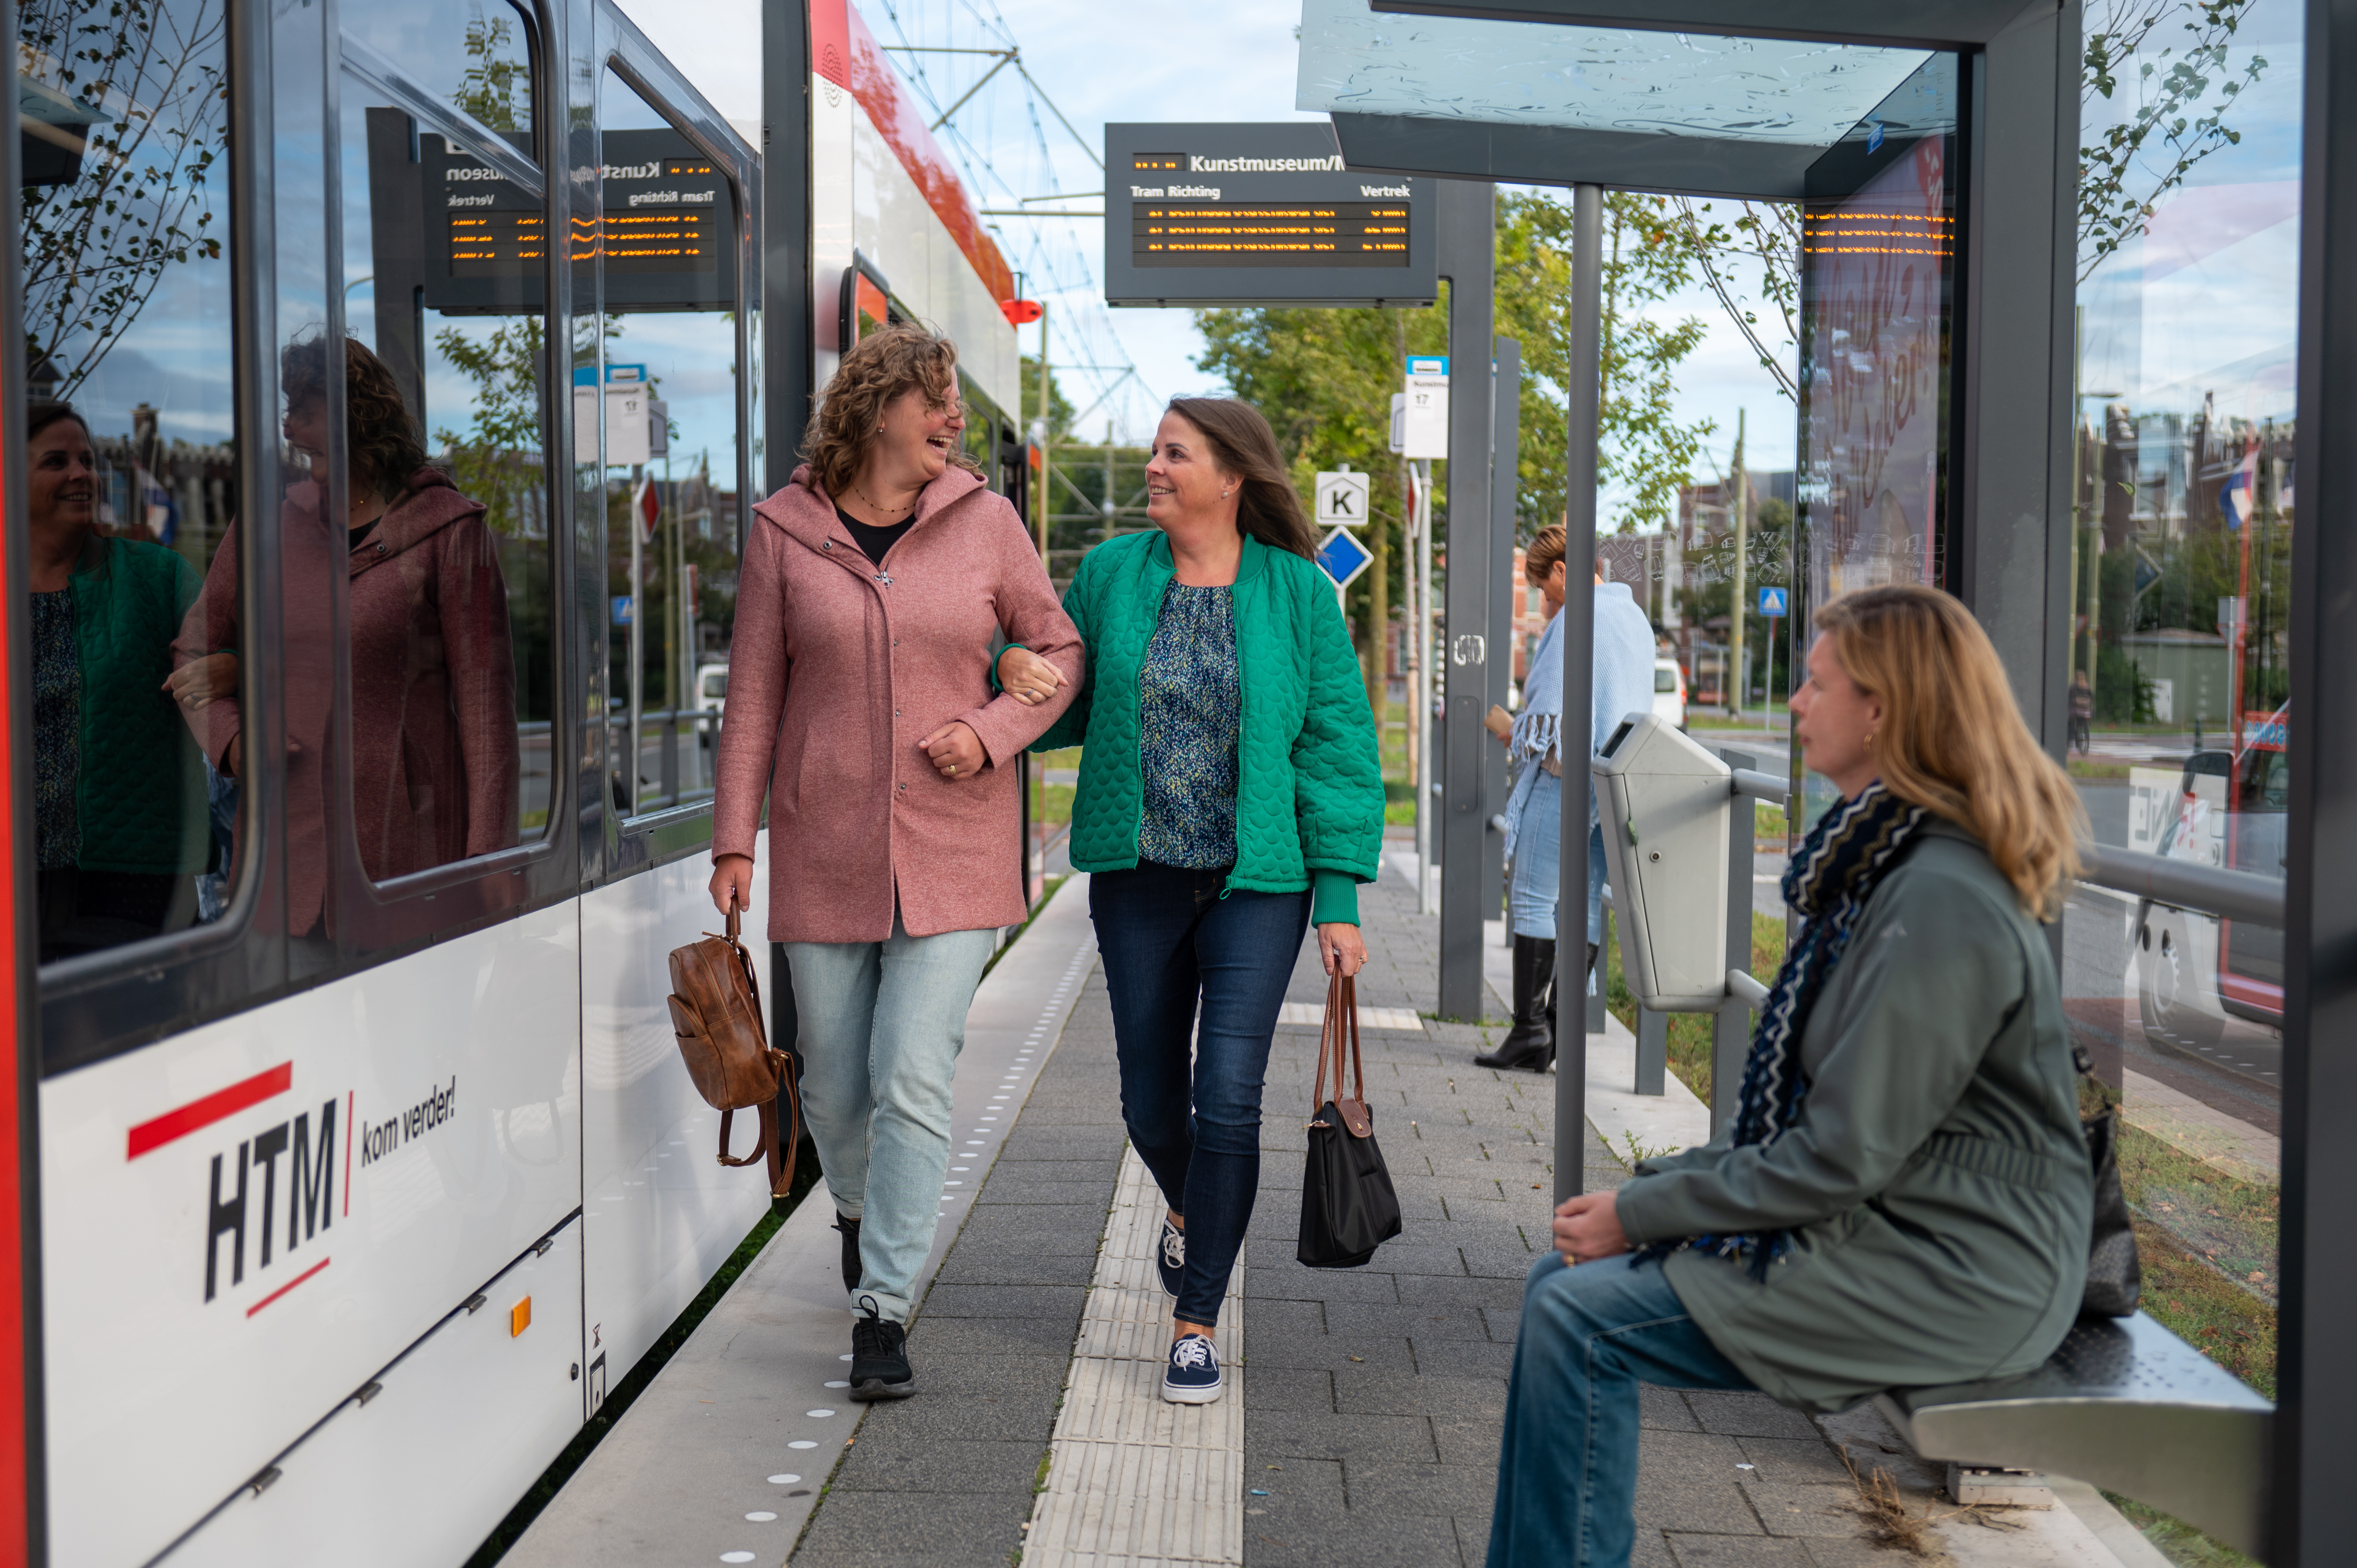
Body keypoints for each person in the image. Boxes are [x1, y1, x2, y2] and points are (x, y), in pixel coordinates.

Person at [1485, 584, 2093, 1568]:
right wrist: (1652, 1194)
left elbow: (1841, 1149)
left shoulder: (1935, 897)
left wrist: (1645, 1211)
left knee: (1575, 1315)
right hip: (1909, 1230)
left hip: (1961, 1270)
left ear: (1882, 709)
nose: (1798, 703)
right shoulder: (1887, 865)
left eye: (1815, 684)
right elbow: (1823, 1134)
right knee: (1561, 1279)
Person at [709, 324, 1082, 1403]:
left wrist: (992, 732)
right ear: (877, 406)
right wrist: (735, 841)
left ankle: (882, 1309)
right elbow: (753, 702)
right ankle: (862, 1209)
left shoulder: (986, 522)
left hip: (956, 846)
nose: (955, 421)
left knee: (912, 1073)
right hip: (823, 844)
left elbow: (1057, 654)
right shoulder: (783, 532)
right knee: (834, 1081)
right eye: (938, 401)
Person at [996, 398, 1384, 1406]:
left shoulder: (1299, 594)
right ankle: (1191, 1211)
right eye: (1157, 449)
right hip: (1139, 879)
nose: (1153, 463)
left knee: (1230, 1097)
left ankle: (1197, 1318)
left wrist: (1337, 896)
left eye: (1176, 451)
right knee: (1148, 1100)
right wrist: (1009, 669)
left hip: (1260, 882)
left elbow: (1335, 745)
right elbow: (1060, 706)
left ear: (1231, 476)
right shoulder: (1112, 575)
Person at [177, 335, 519, 933]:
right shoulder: (266, 527)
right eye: (286, 412)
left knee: (423, 1029)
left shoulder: (451, 530)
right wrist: (232, 744)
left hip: (414, 861)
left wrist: (489, 857)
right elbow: (194, 649)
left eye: (304, 413)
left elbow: (487, 708)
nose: (288, 430)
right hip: (287, 868)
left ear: (355, 418)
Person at [23, 401, 216, 961]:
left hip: (131, 881)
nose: (82, 474)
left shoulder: (156, 578)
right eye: (56, 462)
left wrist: (230, 662)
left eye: (88, 460)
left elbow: (247, 648)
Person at [1474, 539, 1654, 1072]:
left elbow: (1549, 708)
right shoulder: (1632, 615)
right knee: (1583, 902)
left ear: (1561, 570)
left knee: (1530, 894)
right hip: (1612, 775)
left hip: (1566, 772)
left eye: (1542, 588)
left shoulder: (1581, 616)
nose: (1544, 601)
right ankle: (1559, 1031)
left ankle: (1530, 1031)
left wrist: (1522, 731)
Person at [2068, 668, 2094, 755]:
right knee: (2074, 725)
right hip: (2079, 713)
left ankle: (2078, 740)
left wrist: (2080, 701)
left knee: (2077, 724)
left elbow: (2090, 699)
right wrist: (2084, 702)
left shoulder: (2083, 688)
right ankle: (2077, 740)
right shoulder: (2077, 688)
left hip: (2080, 713)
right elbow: (2074, 700)